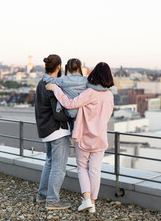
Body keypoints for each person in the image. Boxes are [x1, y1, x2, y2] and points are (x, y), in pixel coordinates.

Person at [46, 62, 114, 213]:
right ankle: (93, 204)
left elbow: (69, 104)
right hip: (100, 138)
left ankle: (87, 200)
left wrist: (56, 89)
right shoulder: (109, 96)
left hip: (84, 136)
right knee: (95, 170)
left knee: (82, 167)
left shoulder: (89, 93)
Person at [34, 54, 73, 210]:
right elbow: (58, 113)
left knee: (50, 163)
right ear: (59, 67)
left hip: (45, 130)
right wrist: (72, 117)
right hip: (58, 130)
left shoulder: (40, 83)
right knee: (59, 166)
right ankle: (52, 200)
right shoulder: (53, 86)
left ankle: (42, 195)